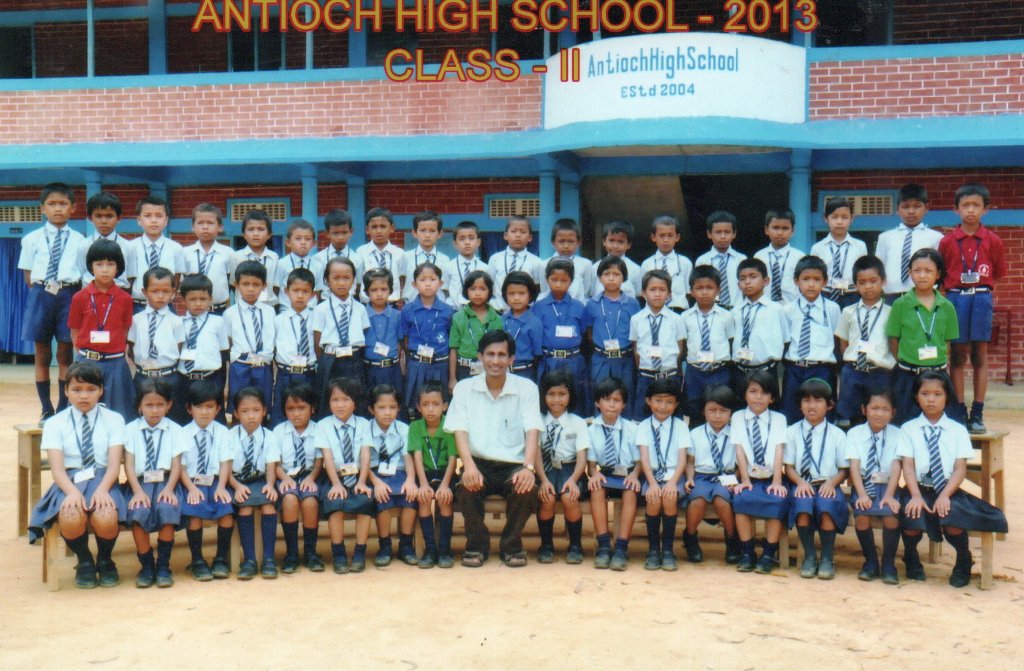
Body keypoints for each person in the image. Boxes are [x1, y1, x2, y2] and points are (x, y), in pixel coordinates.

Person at [899, 370, 1008, 588]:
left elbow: (959, 469)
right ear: (916, 397)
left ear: (947, 397)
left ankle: (963, 559)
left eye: (937, 394)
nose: (931, 399)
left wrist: (945, 496)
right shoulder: (908, 429)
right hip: (917, 488)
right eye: (925, 394)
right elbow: (908, 467)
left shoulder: (957, 430)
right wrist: (916, 496)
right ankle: (911, 556)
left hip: (948, 490)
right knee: (911, 514)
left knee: (952, 519)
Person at [446, 330, 544, 567]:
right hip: (478, 463)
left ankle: (511, 545)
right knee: (466, 489)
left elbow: (533, 430)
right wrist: (468, 466)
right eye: (490, 354)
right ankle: (476, 546)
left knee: (526, 489)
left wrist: (528, 468)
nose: (495, 361)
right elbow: (459, 430)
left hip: (514, 465)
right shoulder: (464, 388)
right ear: (480, 356)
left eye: (502, 355)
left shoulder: (527, 388)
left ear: (512, 359)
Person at [27, 361, 127, 589]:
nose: (84, 396)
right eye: (77, 389)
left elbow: (114, 466)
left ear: (101, 391)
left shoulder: (114, 419)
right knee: (71, 515)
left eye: (91, 389)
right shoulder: (55, 423)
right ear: (66, 391)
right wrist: (71, 492)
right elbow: (57, 469)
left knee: (106, 515)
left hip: (103, 478)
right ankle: (84, 560)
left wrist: (103, 490)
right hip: (69, 480)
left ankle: (105, 559)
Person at [939, 183, 1006, 433]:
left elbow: (997, 273)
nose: (970, 210)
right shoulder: (947, 241)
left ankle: (977, 412)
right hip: (955, 298)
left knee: (980, 355)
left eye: (975, 205)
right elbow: (942, 273)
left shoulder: (993, 241)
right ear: (955, 209)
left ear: (985, 209)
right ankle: (958, 410)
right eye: (965, 205)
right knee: (957, 354)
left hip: (981, 297)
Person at [19, 182, 84, 420]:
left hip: (69, 294)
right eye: (52, 204)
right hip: (41, 294)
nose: (58, 209)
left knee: (65, 352)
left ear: (73, 208)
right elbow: (28, 276)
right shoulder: (31, 239)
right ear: (42, 208)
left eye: (63, 204)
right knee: (42, 353)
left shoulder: (80, 240)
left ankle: (64, 407)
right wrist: (45, 291)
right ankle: (46, 409)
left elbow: (82, 272)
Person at [784, 378, 848, 580]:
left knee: (826, 506)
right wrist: (800, 482)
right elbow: (788, 467)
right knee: (802, 506)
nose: (811, 406)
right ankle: (810, 556)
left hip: (827, 484)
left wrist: (832, 482)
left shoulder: (838, 435)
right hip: (802, 483)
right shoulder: (791, 432)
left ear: (830, 405)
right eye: (806, 401)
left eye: (818, 401)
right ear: (800, 405)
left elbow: (843, 469)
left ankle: (827, 557)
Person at [122, 377, 184, 588]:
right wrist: (137, 491)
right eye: (149, 405)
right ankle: (146, 565)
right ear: (139, 406)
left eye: (160, 405)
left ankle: (163, 565)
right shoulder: (130, 429)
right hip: (140, 483)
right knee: (138, 511)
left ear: (169, 405)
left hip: (167, 481)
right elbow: (129, 464)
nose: (155, 410)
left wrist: (170, 489)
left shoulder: (175, 430)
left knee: (167, 508)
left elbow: (176, 464)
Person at [886, 249, 958, 424]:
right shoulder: (900, 304)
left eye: (928, 271)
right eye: (917, 270)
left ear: (938, 274)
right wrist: (906, 360)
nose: (922, 275)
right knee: (904, 424)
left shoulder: (947, 306)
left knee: (939, 423)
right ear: (909, 273)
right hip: (908, 376)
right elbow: (893, 340)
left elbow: (948, 342)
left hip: (938, 375)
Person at [68, 239, 134, 421]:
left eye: (110, 264)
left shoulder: (125, 299)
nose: (105, 270)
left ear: (118, 267)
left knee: (119, 416)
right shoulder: (79, 297)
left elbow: (125, 330)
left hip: (115, 364)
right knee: (83, 414)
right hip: (87, 362)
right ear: (91, 266)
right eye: (99, 264)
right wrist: (84, 355)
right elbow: (75, 330)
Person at [315, 376, 376, 573]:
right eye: (335, 400)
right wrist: (336, 484)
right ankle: (338, 552)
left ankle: (359, 551)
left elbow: (365, 454)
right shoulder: (323, 425)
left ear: (355, 402)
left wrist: (362, 481)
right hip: (334, 476)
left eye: (346, 399)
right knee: (335, 503)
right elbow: (327, 457)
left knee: (365, 501)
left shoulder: (364, 424)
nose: (340, 405)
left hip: (358, 476)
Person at [732, 369, 790, 574]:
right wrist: (745, 479)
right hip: (750, 477)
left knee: (777, 500)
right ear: (745, 394)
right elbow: (739, 449)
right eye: (753, 391)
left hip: (772, 477)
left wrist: (777, 481)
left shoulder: (779, 419)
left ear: (772, 398)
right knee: (741, 498)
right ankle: (748, 552)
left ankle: (768, 553)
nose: (758, 397)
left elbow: (778, 449)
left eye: (764, 393)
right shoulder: (738, 417)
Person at [845, 387, 904, 584]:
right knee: (862, 516)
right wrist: (862, 494)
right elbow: (854, 466)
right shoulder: (854, 434)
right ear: (864, 409)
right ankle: (870, 561)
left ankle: (888, 564)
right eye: (874, 408)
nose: (879, 413)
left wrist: (889, 495)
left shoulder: (898, 434)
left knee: (891, 517)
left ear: (893, 412)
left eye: (885, 409)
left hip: (888, 486)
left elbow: (896, 466)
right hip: (864, 484)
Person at [179, 380, 235, 581]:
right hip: (192, 482)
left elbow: (225, 462)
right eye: (199, 407)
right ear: (189, 409)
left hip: (215, 481)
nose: (204, 412)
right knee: (194, 513)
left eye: (210, 407)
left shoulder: (223, 432)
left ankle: (220, 558)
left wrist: (222, 487)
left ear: (218, 409)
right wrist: (191, 488)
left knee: (226, 511)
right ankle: (197, 560)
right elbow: (181, 467)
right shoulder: (182, 433)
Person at [535, 369, 591, 565]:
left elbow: (582, 457)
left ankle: (575, 545)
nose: (556, 400)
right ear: (543, 396)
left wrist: (573, 480)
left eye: (562, 394)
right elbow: (536, 454)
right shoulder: (538, 421)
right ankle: (546, 545)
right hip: (545, 470)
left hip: (571, 470)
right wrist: (543, 480)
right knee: (547, 498)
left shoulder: (578, 423)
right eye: (551, 394)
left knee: (569, 497)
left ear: (570, 395)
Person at [586, 377, 641, 570]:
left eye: (617, 400)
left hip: (627, 474)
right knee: (596, 489)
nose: (611, 405)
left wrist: (634, 475)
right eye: (606, 399)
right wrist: (594, 474)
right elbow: (591, 464)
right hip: (606, 474)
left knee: (630, 491)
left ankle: (621, 547)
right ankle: (603, 545)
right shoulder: (591, 430)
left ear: (624, 404)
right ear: (597, 403)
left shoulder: (632, 429)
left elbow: (639, 462)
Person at [682, 385, 741, 564]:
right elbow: (690, 462)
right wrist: (690, 478)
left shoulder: (736, 434)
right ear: (704, 411)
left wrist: (737, 479)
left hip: (727, 476)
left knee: (721, 501)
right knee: (697, 501)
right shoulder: (695, 434)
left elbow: (741, 463)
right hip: (702, 476)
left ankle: (732, 539)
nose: (717, 415)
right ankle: (690, 537)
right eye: (712, 410)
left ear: (731, 413)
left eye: (723, 411)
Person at [360, 384, 418, 566]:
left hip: (399, 472)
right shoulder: (366, 429)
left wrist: (411, 480)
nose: (387, 413)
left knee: (410, 496)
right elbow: (364, 462)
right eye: (381, 407)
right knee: (382, 498)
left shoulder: (403, 428)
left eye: (392, 407)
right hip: (374, 474)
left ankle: (405, 544)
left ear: (399, 408)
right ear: (371, 409)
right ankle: (385, 545)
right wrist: (376, 482)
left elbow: (408, 457)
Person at [636, 378, 690, 571]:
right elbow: (644, 459)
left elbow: (682, 460)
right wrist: (652, 483)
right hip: (652, 476)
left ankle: (667, 550)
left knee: (669, 497)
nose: (663, 406)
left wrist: (672, 482)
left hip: (674, 476)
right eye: (658, 400)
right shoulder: (643, 426)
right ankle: (653, 549)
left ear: (676, 404)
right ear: (648, 401)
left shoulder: (680, 426)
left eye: (669, 402)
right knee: (653, 498)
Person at [227, 387, 281, 580]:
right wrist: (236, 486)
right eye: (245, 411)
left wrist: (270, 484)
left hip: (260, 480)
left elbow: (271, 464)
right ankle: (249, 560)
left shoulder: (270, 436)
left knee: (268, 504)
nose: (251, 416)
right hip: (237, 480)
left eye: (256, 410)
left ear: (264, 411)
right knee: (245, 506)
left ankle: (268, 559)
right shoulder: (230, 436)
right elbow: (225, 468)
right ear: (236, 413)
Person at [835, 255, 894, 428]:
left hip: (879, 372)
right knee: (852, 418)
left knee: (879, 414)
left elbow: (893, 342)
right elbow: (843, 342)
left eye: (873, 281)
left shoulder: (891, 312)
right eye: (862, 282)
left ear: (883, 281)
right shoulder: (848, 312)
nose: (868, 286)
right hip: (853, 372)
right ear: (855, 285)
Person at [271, 381, 323, 574]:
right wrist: (284, 478)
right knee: (290, 500)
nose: (296, 414)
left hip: (310, 476)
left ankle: (310, 552)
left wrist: (311, 478)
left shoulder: (318, 430)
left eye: (301, 408)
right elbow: (275, 463)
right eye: (290, 409)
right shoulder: (279, 431)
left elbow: (319, 461)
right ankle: (291, 552)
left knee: (310, 502)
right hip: (285, 476)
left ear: (312, 408)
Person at [782, 256, 841, 424]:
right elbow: (785, 340)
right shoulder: (788, 309)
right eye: (805, 279)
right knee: (792, 413)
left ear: (825, 282)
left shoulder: (832, 309)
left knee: (823, 414)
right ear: (796, 281)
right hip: (795, 368)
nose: (811, 284)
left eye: (817, 279)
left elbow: (836, 338)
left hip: (822, 369)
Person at [408, 381, 458, 568]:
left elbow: (453, 458)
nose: (430, 409)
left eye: (435, 404)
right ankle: (430, 550)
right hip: (425, 473)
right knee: (424, 499)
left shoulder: (450, 426)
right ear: (418, 407)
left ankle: (444, 550)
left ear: (444, 406)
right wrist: (422, 484)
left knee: (445, 499)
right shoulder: (415, 427)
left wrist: (445, 484)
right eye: (425, 404)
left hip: (446, 473)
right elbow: (417, 456)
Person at [127, 266, 187, 424]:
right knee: (141, 418)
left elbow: (179, 347)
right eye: (154, 291)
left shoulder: (177, 321)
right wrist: (145, 365)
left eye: (166, 291)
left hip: (169, 377)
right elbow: (131, 348)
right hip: (143, 376)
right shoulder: (136, 320)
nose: (160, 296)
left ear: (173, 292)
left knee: (172, 419)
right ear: (144, 292)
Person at [314, 256, 370, 415]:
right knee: (329, 399)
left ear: (354, 280)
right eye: (336, 278)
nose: (341, 283)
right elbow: (317, 340)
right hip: (331, 359)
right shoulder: (321, 309)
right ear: (327, 280)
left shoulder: (360, 308)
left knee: (355, 399)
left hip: (354, 359)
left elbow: (365, 333)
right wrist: (325, 360)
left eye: (347, 278)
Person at [679, 265, 734, 426]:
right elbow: (683, 346)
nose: (704, 292)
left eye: (710, 288)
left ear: (718, 290)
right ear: (691, 291)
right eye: (699, 288)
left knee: (720, 410)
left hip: (719, 371)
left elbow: (731, 342)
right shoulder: (685, 317)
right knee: (695, 412)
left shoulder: (726, 316)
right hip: (695, 373)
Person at [586, 256, 641, 415]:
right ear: (599, 277)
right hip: (601, 359)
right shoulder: (592, 304)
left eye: (616, 274)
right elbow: (589, 333)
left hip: (624, 359)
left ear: (624, 278)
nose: (611, 278)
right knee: (600, 394)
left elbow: (636, 334)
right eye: (606, 274)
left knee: (625, 396)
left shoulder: (632, 304)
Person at [535, 258, 590, 416]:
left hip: (573, 360)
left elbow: (583, 333)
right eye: (554, 280)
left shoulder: (579, 306)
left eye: (564, 280)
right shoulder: (539, 307)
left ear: (571, 281)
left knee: (574, 400)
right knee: (549, 399)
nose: (558, 284)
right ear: (547, 279)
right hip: (549, 360)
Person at [629, 269, 684, 420]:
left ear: (669, 294)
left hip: (669, 375)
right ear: (643, 293)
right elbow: (636, 349)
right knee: (642, 417)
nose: (657, 294)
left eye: (662, 290)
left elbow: (680, 348)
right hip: (646, 376)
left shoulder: (676, 319)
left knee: (671, 416)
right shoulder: (636, 319)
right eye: (652, 289)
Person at [401, 262, 455, 416]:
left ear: (441, 283)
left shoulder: (448, 311)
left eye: (432, 279)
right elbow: (405, 340)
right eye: (422, 280)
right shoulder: (407, 310)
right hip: (417, 364)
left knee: (440, 405)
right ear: (414, 284)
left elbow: (450, 339)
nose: (428, 284)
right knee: (416, 405)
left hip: (440, 365)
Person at [224, 261, 276, 416]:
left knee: (262, 405)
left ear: (264, 286)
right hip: (240, 366)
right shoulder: (230, 313)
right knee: (239, 406)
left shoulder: (270, 312)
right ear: (236, 285)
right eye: (245, 284)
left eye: (256, 284)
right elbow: (228, 341)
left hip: (263, 365)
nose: (251, 289)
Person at [875, 184, 943, 303]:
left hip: (923, 295)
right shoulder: (885, 238)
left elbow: (940, 269)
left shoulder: (936, 238)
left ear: (926, 208)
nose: (911, 211)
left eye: (917, 206)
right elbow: (879, 268)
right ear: (897, 209)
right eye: (905, 207)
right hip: (891, 296)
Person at [176, 274, 229, 424]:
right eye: (192, 299)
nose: (198, 303)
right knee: (186, 418)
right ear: (183, 299)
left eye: (203, 299)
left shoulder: (218, 322)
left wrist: (220, 383)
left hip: (211, 378)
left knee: (214, 418)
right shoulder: (177, 322)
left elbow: (223, 353)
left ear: (210, 299)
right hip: (185, 378)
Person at [731, 258, 789, 391]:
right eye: (742, 278)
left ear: (765, 281)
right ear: (738, 284)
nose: (747, 282)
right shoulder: (735, 311)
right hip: (740, 371)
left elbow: (785, 340)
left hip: (766, 370)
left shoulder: (776, 309)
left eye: (753, 277)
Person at [271, 267, 318, 426]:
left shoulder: (317, 317)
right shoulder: (278, 320)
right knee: (281, 412)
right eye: (295, 290)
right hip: (286, 373)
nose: (300, 295)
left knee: (308, 412)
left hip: (308, 373)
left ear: (313, 294)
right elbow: (273, 347)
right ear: (286, 292)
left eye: (305, 291)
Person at [126, 195, 183, 313]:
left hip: (166, 306)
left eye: (159, 216)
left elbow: (177, 278)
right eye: (147, 216)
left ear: (166, 220)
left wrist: (168, 298)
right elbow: (128, 280)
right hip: (138, 306)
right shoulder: (130, 247)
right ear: (139, 220)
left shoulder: (176, 248)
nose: (153, 220)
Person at [811, 197, 867, 309]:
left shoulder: (860, 246)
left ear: (852, 218)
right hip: (826, 294)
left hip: (852, 295)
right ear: (825, 218)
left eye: (845, 217)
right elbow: (814, 275)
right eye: (834, 217)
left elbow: (864, 273)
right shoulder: (817, 248)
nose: (839, 222)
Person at [449, 270, 503, 384]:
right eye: (473, 289)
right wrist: (452, 378)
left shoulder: (497, 319)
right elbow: (453, 349)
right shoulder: (458, 317)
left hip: (489, 368)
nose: (477, 293)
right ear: (466, 291)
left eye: (483, 289)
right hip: (463, 368)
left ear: (490, 291)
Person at [181, 203, 233, 315]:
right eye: (200, 223)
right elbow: (182, 283)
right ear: (193, 227)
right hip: (193, 310)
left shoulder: (228, 253)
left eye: (210, 223)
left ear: (220, 227)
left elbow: (232, 284)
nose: (205, 227)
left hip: (219, 310)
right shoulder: (185, 253)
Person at [488, 215, 544, 311]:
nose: (518, 235)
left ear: (530, 237)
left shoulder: (536, 262)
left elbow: (538, 290)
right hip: (498, 311)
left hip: (525, 312)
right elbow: (489, 286)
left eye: (523, 232)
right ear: (505, 235)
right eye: (513, 231)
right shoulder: (495, 259)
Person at [362, 269, 404, 394]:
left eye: (384, 289)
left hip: (392, 369)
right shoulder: (361, 314)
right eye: (374, 290)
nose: (379, 294)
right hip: (368, 369)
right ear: (366, 292)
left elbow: (400, 343)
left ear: (390, 291)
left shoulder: (397, 315)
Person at [78, 190, 130, 291]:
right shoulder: (83, 245)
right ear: (90, 217)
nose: (104, 221)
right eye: (98, 216)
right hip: (90, 294)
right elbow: (81, 273)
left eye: (109, 216)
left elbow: (130, 277)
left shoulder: (128, 246)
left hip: (119, 293)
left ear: (119, 217)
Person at [639, 214, 692, 312]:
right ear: (653, 237)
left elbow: (689, 292)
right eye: (661, 235)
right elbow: (643, 293)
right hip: (654, 311)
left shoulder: (685, 263)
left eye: (670, 235)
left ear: (677, 237)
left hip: (679, 311)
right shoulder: (647, 264)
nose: (666, 240)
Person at [230, 209, 279, 311]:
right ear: (243, 234)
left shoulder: (274, 257)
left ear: (269, 234)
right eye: (251, 229)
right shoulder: (236, 256)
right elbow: (233, 284)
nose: (256, 233)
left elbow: (276, 286)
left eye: (261, 229)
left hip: (268, 307)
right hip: (243, 307)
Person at [695, 211, 745, 311]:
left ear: (734, 234)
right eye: (718, 232)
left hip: (738, 309)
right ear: (709, 234)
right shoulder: (702, 261)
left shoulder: (742, 259)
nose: (723, 236)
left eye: (727, 232)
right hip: (713, 310)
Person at [754, 208, 804, 305]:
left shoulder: (799, 257)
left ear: (792, 231)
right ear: (766, 230)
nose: (780, 232)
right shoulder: (759, 256)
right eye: (775, 228)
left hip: (791, 307)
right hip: (764, 306)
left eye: (785, 228)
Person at [356, 207, 404, 305]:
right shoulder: (361, 252)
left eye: (383, 226)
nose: (378, 231)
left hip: (391, 304)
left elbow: (402, 279)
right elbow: (358, 281)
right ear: (367, 229)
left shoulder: (399, 253)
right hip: (367, 304)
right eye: (374, 227)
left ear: (392, 228)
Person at [400, 211, 451, 303]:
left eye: (432, 231)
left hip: (437, 306)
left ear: (439, 233)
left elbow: (446, 288)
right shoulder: (405, 257)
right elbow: (400, 281)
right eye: (423, 230)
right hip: (411, 305)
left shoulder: (445, 260)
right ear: (414, 232)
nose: (427, 235)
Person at [501, 271, 543, 382]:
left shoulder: (535, 322)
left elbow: (537, 354)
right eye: (511, 293)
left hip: (525, 371)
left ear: (530, 295)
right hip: (502, 370)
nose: (516, 298)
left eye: (521, 293)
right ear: (505, 295)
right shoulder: (502, 320)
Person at [276, 218, 325, 313]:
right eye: (298, 238)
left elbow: (318, 291)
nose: (303, 242)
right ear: (288, 242)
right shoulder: (281, 264)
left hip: (310, 312)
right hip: (286, 311)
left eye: (307, 239)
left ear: (314, 243)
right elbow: (276, 289)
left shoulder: (318, 266)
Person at [541, 218, 593, 302]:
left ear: (578, 242)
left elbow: (586, 291)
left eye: (571, 241)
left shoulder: (585, 264)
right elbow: (544, 290)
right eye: (561, 241)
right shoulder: (544, 264)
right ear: (553, 242)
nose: (566, 246)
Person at [313, 208, 362, 299]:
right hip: (325, 301)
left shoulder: (357, 259)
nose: (340, 237)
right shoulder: (318, 259)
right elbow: (317, 287)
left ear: (351, 232)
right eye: (335, 233)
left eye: (344, 232)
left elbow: (358, 285)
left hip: (349, 301)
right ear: (327, 233)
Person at [590, 219, 643, 300]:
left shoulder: (635, 269)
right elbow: (591, 294)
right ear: (604, 241)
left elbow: (638, 294)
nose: (615, 246)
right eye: (611, 240)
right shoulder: (594, 268)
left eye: (620, 242)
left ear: (629, 244)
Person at [445, 220, 491, 309]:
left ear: (478, 242)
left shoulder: (485, 268)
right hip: (454, 310)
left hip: (477, 310)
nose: (467, 242)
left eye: (471, 238)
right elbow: (445, 291)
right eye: (462, 239)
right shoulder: (448, 266)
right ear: (455, 244)